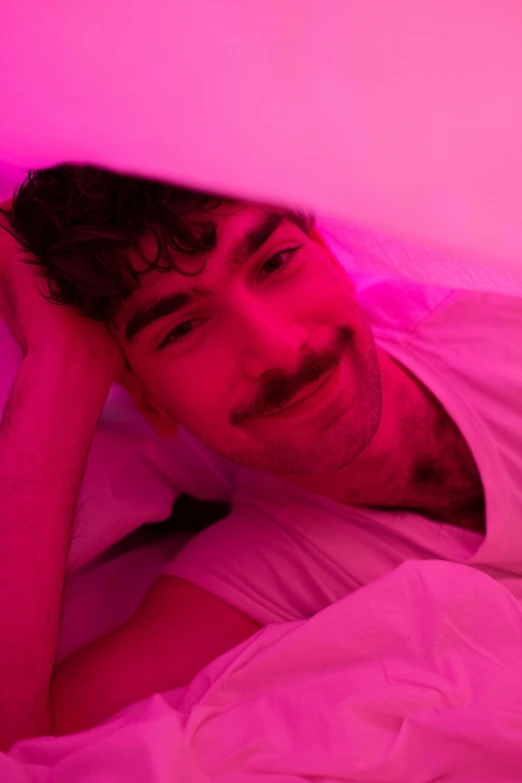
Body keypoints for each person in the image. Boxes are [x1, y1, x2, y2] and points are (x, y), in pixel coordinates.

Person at [1, 164, 522, 749]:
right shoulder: (267, 572)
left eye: (275, 263)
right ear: (146, 398)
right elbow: (17, 743)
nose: (277, 348)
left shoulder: (496, 310)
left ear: (326, 250)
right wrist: (61, 365)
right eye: (182, 329)